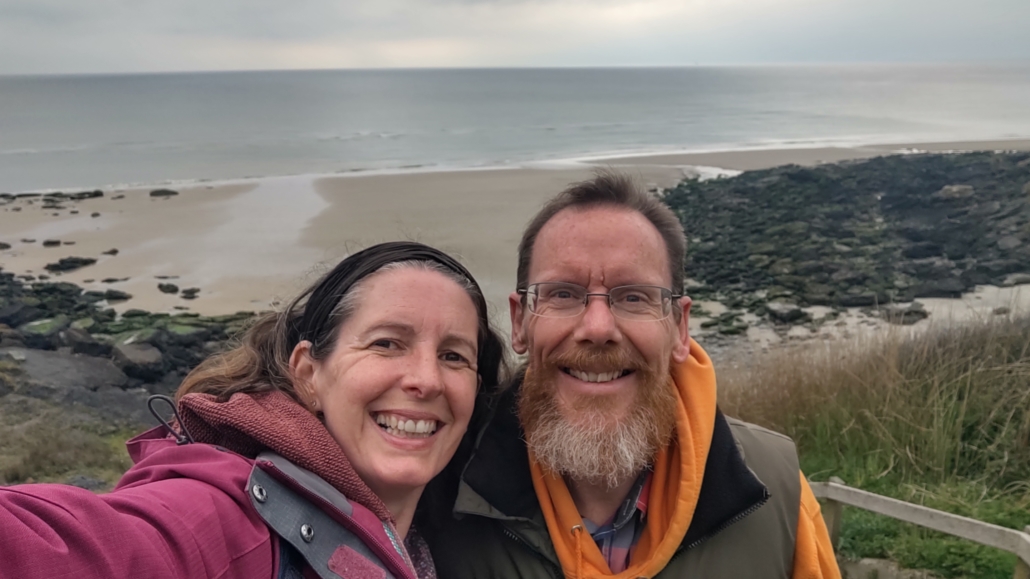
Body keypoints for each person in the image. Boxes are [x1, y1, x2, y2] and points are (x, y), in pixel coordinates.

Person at [0, 241, 506, 579]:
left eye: (453, 356)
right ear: (309, 373)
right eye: (387, 344)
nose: (425, 379)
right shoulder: (236, 515)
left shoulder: (461, 533)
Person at [423, 173, 842, 578]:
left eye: (634, 296)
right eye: (564, 294)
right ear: (519, 322)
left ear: (679, 327)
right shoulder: (434, 492)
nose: (598, 328)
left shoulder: (774, 492)